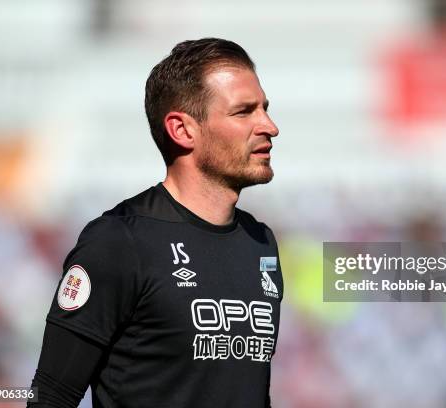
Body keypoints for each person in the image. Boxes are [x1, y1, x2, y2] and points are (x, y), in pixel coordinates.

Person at [28, 38, 283, 408]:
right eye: (244, 112)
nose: (270, 126)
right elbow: (50, 396)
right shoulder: (119, 241)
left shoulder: (261, 243)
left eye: (264, 109)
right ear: (182, 130)